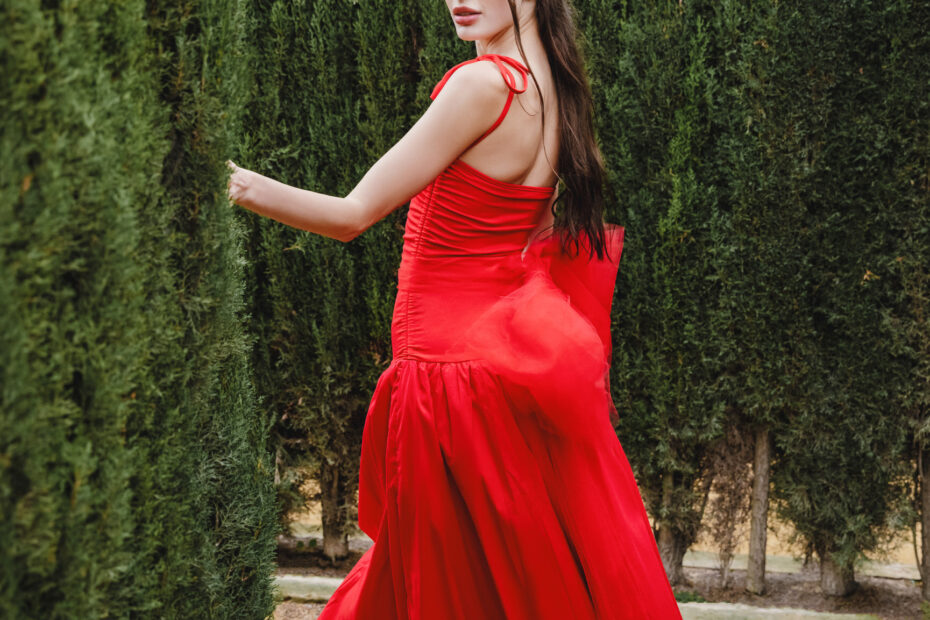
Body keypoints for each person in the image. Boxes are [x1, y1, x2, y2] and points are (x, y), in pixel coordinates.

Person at [227, 1, 682, 617]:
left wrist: (236, 183)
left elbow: (352, 215)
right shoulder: (554, 89)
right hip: (499, 374)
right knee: (494, 584)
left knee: (437, 588)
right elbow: (530, 243)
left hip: (442, 379)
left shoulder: (482, 85)